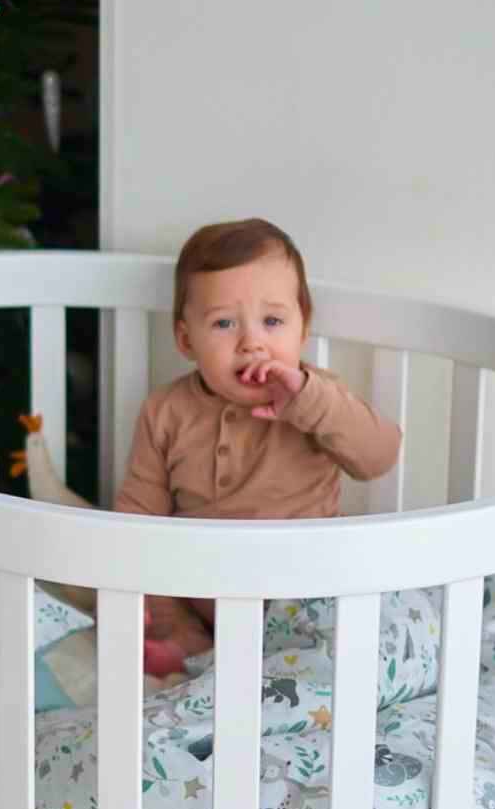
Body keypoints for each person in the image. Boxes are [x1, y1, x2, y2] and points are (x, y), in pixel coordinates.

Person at [113, 218, 402, 676]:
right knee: (142, 577)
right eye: (224, 323)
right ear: (187, 340)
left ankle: (283, 665)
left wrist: (308, 400)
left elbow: (379, 455)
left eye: (272, 321)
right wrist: (145, 603)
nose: (252, 343)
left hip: (304, 597)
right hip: (203, 598)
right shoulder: (165, 410)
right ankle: (189, 648)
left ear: (302, 328)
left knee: (363, 622)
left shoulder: (318, 398)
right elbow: (138, 516)